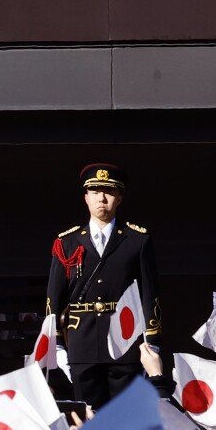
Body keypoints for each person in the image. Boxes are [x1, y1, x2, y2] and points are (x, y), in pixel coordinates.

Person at [45, 163, 161, 408]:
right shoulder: (66, 242)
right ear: (86, 198)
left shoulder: (137, 240)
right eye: (95, 191)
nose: (102, 198)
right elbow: (54, 297)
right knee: (87, 415)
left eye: (109, 192)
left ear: (119, 198)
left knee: (123, 417)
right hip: (82, 340)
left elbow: (149, 293)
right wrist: (55, 343)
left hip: (125, 338)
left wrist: (151, 340)